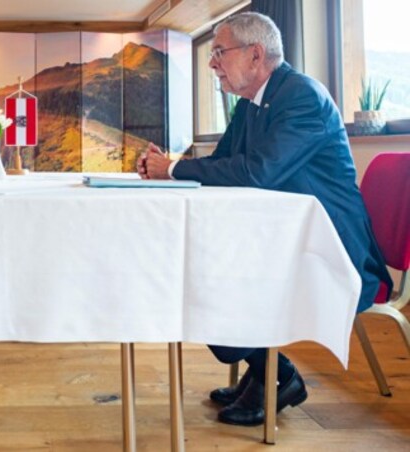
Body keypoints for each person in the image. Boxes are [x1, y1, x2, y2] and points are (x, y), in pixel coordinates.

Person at [138, 12, 393, 426]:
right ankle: (264, 370)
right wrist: (170, 167)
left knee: (207, 276)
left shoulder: (303, 97)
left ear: (256, 55)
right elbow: (224, 165)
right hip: (283, 238)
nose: (212, 62)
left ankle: (278, 374)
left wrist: (172, 169)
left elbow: (259, 171)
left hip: (330, 250)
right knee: (196, 266)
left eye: (219, 51)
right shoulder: (251, 104)